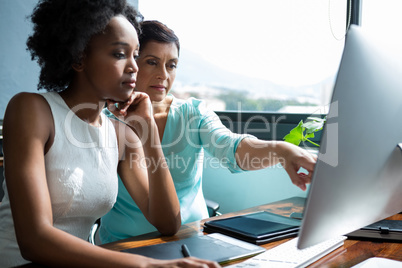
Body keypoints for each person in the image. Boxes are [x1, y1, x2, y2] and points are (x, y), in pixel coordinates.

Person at [0, 1, 219, 267]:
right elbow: (34, 240)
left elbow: (168, 223)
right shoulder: (32, 110)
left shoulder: (121, 135)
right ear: (80, 57)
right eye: (119, 54)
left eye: (135, 55)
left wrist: (148, 132)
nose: (134, 67)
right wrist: (147, 265)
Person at [99, 20, 317, 243]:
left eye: (171, 65)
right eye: (152, 62)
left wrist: (281, 151)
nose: (163, 74)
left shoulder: (193, 113)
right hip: (123, 245)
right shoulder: (106, 121)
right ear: (132, 64)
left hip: (192, 240)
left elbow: (233, 148)